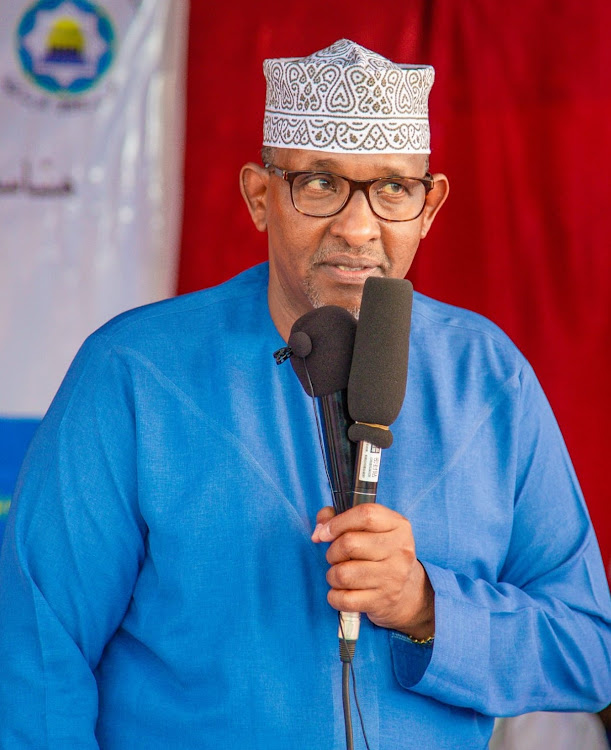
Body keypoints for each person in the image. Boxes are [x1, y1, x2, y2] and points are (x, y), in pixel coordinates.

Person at [0, 38, 609, 750]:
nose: (357, 228)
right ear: (260, 198)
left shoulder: (487, 377)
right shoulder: (134, 371)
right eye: (318, 183)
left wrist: (424, 604)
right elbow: (33, 652)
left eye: (391, 188)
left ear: (429, 206)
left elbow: (584, 650)